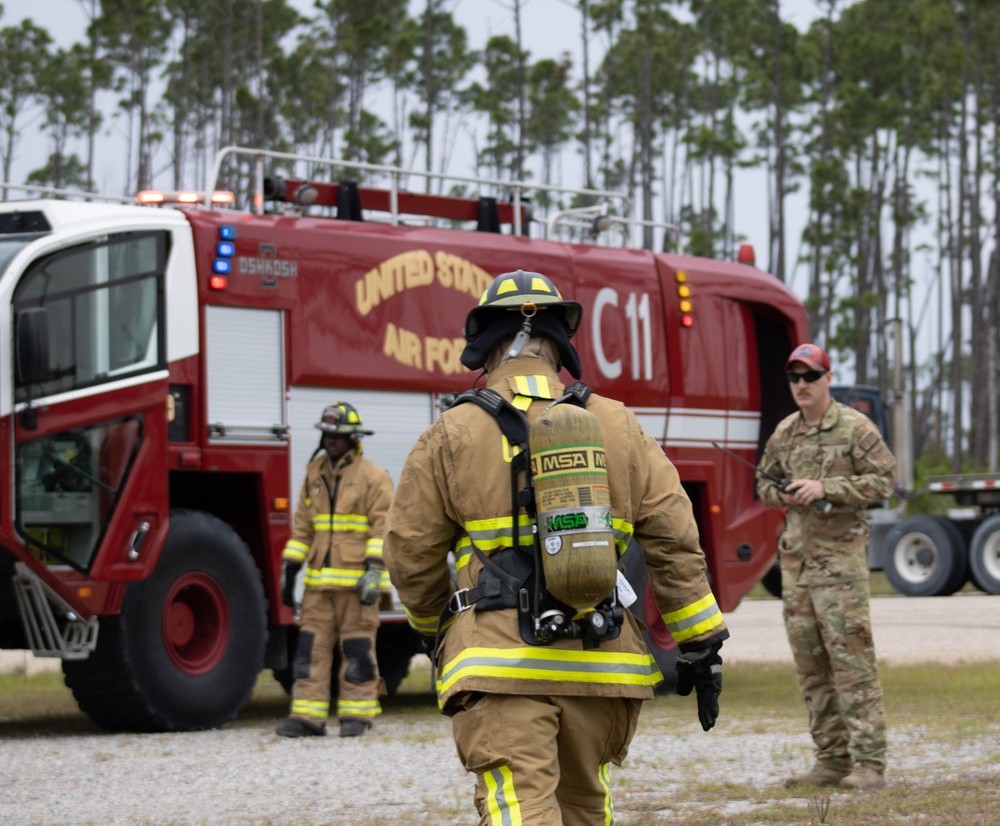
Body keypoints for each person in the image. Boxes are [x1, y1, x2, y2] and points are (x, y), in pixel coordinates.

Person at [383, 270, 729, 825]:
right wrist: (700, 644)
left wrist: (434, 631)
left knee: (520, 810)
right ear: (558, 340)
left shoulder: (452, 432)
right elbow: (675, 539)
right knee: (586, 807)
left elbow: (409, 553)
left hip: (500, 663)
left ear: (487, 343)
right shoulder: (618, 424)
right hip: (602, 663)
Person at [757, 343, 896, 790]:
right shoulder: (785, 433)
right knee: (812, 669)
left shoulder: (856, 427)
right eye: (794, 377)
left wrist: (825, 487)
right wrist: (785, 492)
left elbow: (885, 481)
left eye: (810, 376)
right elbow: (763, 483)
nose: (801, 385)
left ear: (827, 378)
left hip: (840, 568)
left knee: (852, 666)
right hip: (797, 570)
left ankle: (870, 764)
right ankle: (831, 761)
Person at [276, 402, 394, 738]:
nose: (331, 440)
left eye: (338, 435)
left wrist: (374, 572)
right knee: (309, 650)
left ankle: (357, 716)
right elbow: (303, 528)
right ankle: (307, 716)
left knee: (356, 650)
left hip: (358, 585)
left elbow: (382, 528)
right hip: (318, 586)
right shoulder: (314, 474)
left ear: (353, 438)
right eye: (327, 434)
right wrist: (290, 569)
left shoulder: (373, 477)